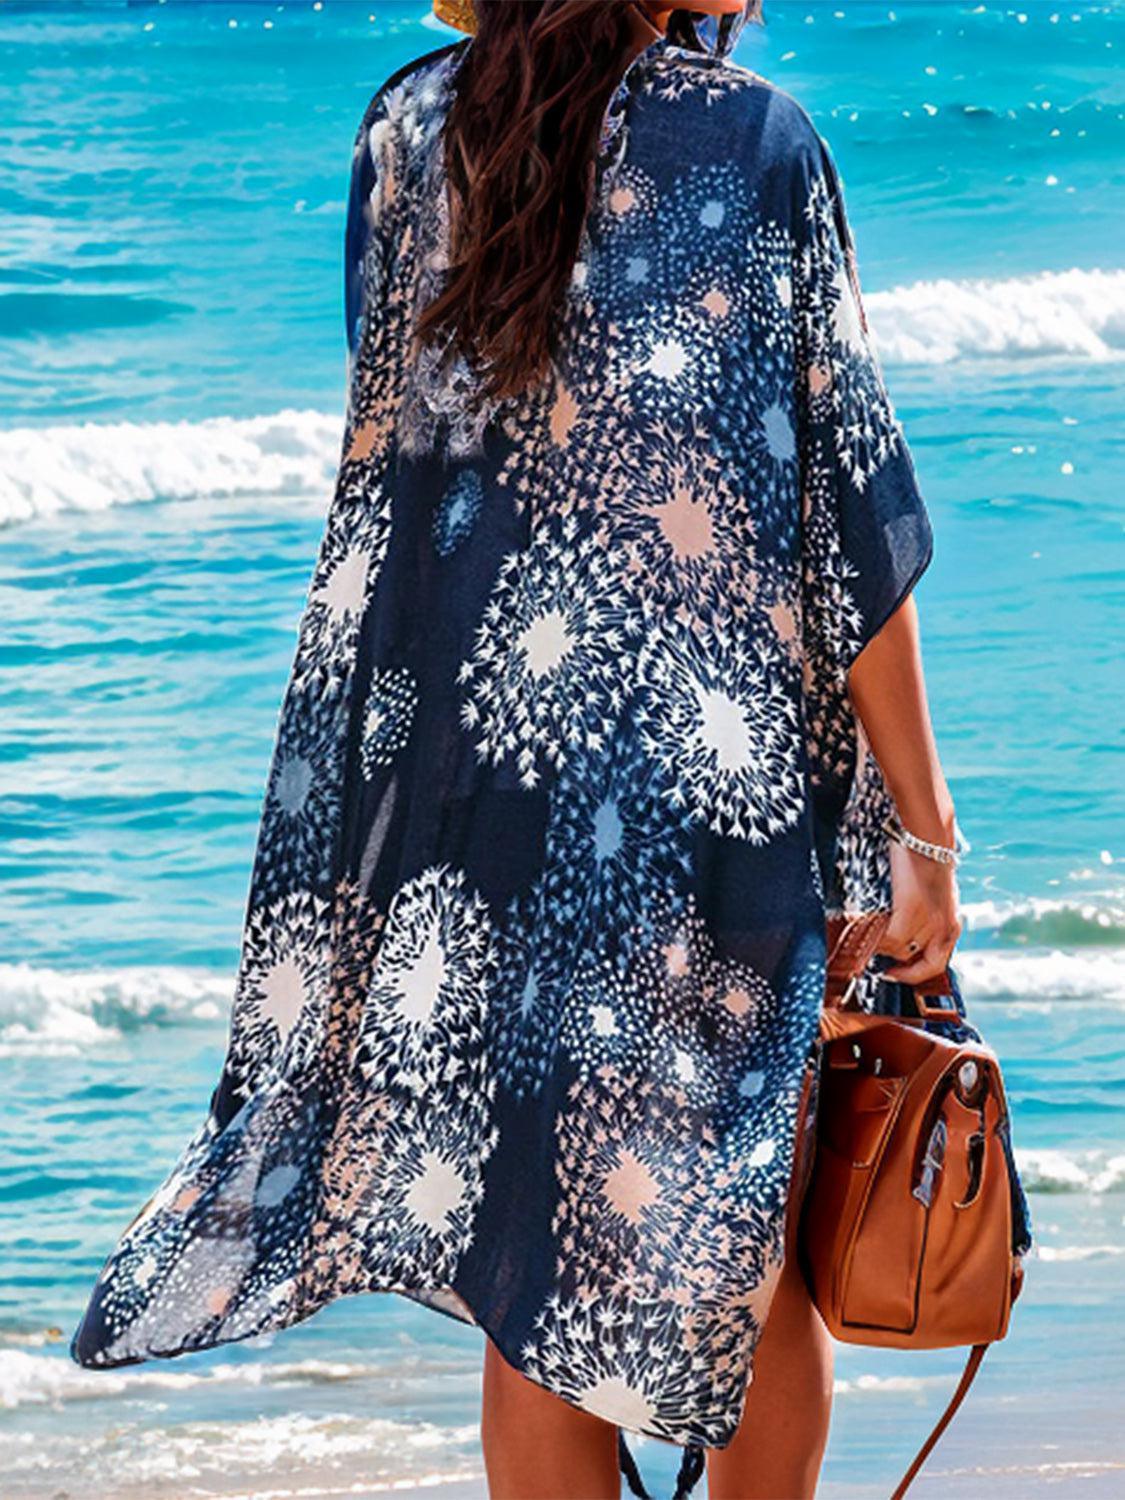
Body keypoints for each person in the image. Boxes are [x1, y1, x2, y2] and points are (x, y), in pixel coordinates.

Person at [70, 3, 1031, 1498]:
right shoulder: (753, 142)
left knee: (534, 1281)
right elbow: (845, 514)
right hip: (709, 800)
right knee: (741, 1243)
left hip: (476, 798)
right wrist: (925, 828)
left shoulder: (404, 134)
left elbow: (414, 463)